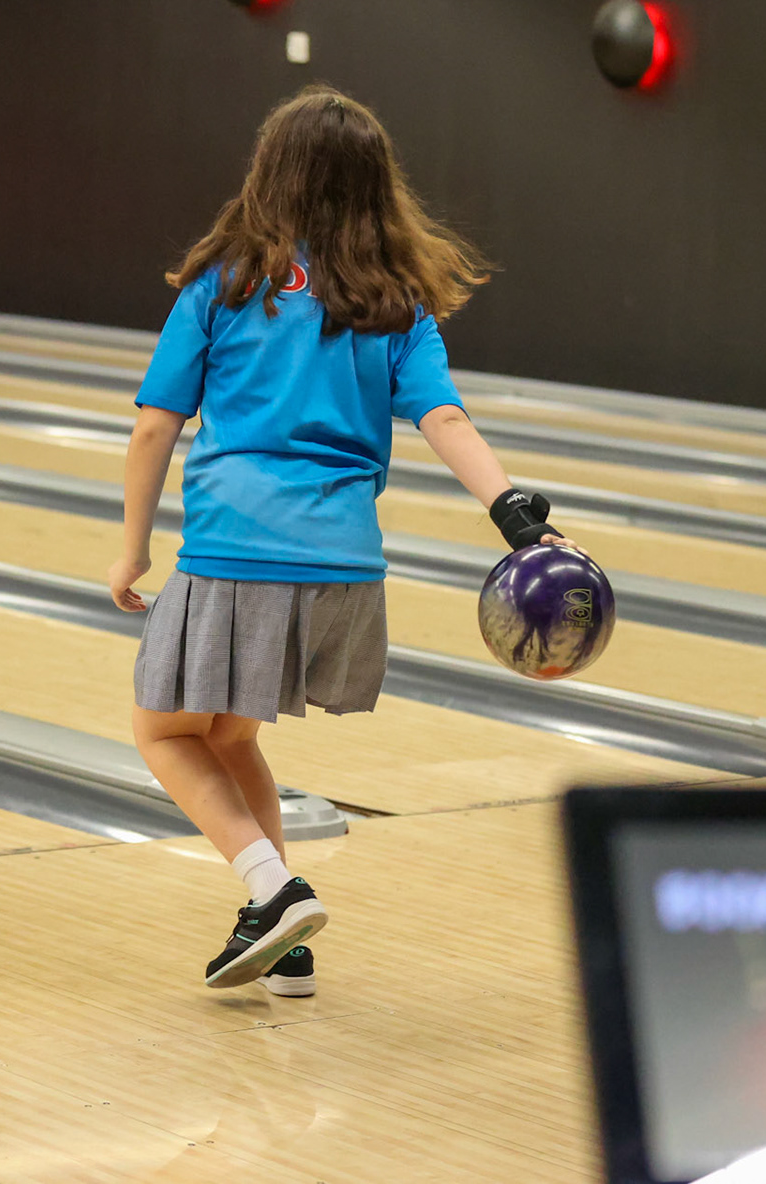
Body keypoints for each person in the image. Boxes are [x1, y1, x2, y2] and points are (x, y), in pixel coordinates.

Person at [108, 84, 578, 995]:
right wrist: (512, 512)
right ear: (377, 189)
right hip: (343, 568)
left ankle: (270, 885)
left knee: (161, 732)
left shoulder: (226, 283)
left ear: (269, 175)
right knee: (232, 736)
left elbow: (154, 427)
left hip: (236, 551)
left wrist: (132, 549)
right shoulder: (392, 300)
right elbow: (443, 417)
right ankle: (284, 939)